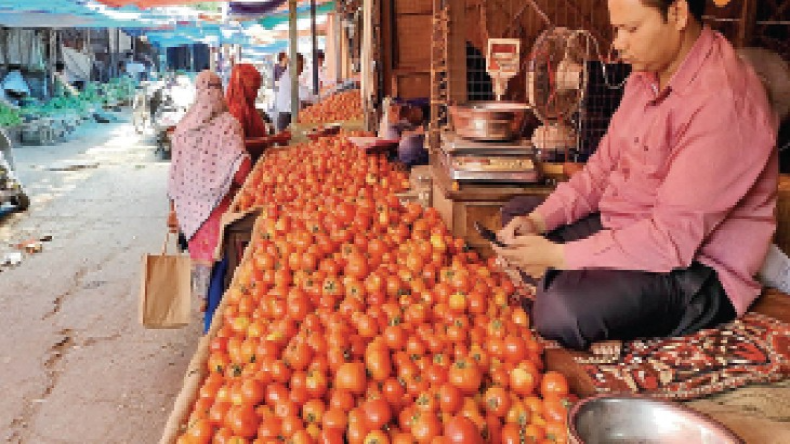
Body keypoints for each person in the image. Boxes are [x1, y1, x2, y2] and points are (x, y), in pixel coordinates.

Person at [494, 0, 777, 351]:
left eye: (631, 29)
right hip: (629, 227)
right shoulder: (646, 75)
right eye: (617, 29)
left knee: (562, 312)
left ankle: (570, 284)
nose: (618, 44)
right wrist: (537, 222)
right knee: (515, 217)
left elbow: (668, 241)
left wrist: (557, 257)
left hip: (694, 270)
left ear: (677, 14)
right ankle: (575, 278)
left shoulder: (724, 102)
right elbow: (599, 173)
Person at [167, 70, 252, 311]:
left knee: (204, 267)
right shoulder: (228, 125)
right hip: (219, 212)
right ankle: (213, 328)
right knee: (222, 272)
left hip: (190, 215)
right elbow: (242, 172)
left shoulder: (182, 128)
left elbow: (173, 179)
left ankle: (205, 304)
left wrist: (174, 210)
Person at [226, 63, 271, 163]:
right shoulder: (236, 110)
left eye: (257, 89)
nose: (256, 94)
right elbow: (236, 144)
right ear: (241, 87)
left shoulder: (248, 106)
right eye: (253, 89)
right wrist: (271, 139)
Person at [275, 53, 314, 131]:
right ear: (295, 64)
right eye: (301, 65)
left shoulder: (289, 75)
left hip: (286, 115)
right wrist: (318, 98)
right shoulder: (290, 77)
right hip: (287, 117)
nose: (302, 69)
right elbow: (305, 95)